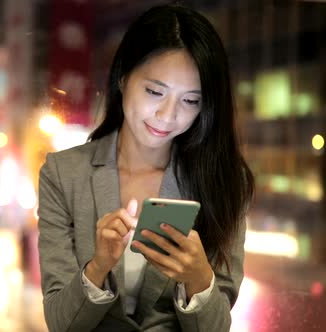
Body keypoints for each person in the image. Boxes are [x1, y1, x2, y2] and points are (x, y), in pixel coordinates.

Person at [37, 3, 254, 332]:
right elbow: (60, 323)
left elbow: (217, 327)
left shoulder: (224, 180)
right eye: (155, 91)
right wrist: (98, 267)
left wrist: (199, 279)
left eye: (191, 100)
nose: (168, 115)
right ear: (123, 77)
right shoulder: (64, 174)